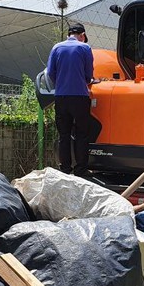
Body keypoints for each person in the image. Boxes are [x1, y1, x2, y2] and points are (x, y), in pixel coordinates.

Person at [47, 22, 94, 176]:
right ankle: (80, 169)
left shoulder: (56, 48)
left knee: (64, 135)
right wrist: (84, 81)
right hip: (80, 96)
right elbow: (88, 74)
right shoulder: (85, 48)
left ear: (68, 35)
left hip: (61, 96)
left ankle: (65, 169)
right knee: (82, 134)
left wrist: (61, 83)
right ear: (82, 35)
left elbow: (50, 73)